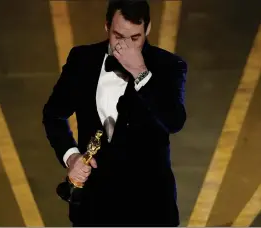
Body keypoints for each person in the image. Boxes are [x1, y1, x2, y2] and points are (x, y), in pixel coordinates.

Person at [43, 0, 187, 226]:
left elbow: (175, 121)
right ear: (107, 26)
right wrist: (71, 157)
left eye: (135, 38)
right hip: (94, 207)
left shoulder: (168, 65)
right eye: (119, 36)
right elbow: (53, 114)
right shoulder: (82, 60)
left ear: (147, 29)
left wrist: (140, 72)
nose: (126, 47)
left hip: (149, 208)